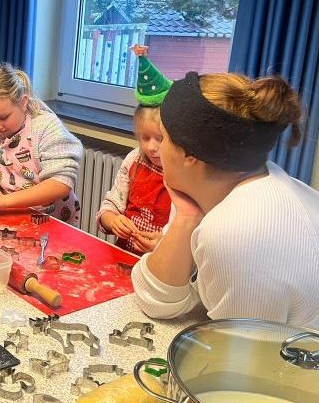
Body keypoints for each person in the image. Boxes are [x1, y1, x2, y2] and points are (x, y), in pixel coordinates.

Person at [131, 71, 319, 327]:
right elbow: (156, 299)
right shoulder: (214, 192)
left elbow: (243, 353)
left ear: (190, 155)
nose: (158, 150)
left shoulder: (236, 231)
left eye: (163, 138)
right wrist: (186, 219)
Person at [0, 63, 83, 225]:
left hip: (51, 220)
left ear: (23, 102)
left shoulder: (46, 127)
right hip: (8, 216)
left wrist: (5, 201)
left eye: (4, 117)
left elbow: (60, 183)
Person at [97, 45, 173, 254]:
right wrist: (113, 220)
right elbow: (110, 206)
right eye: (144, 138)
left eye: (160, 138)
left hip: (161, 267)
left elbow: (191, 234)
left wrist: (165, 244)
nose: (151, 147)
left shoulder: (184, 173)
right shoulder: (134, 161)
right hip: (124, 256)